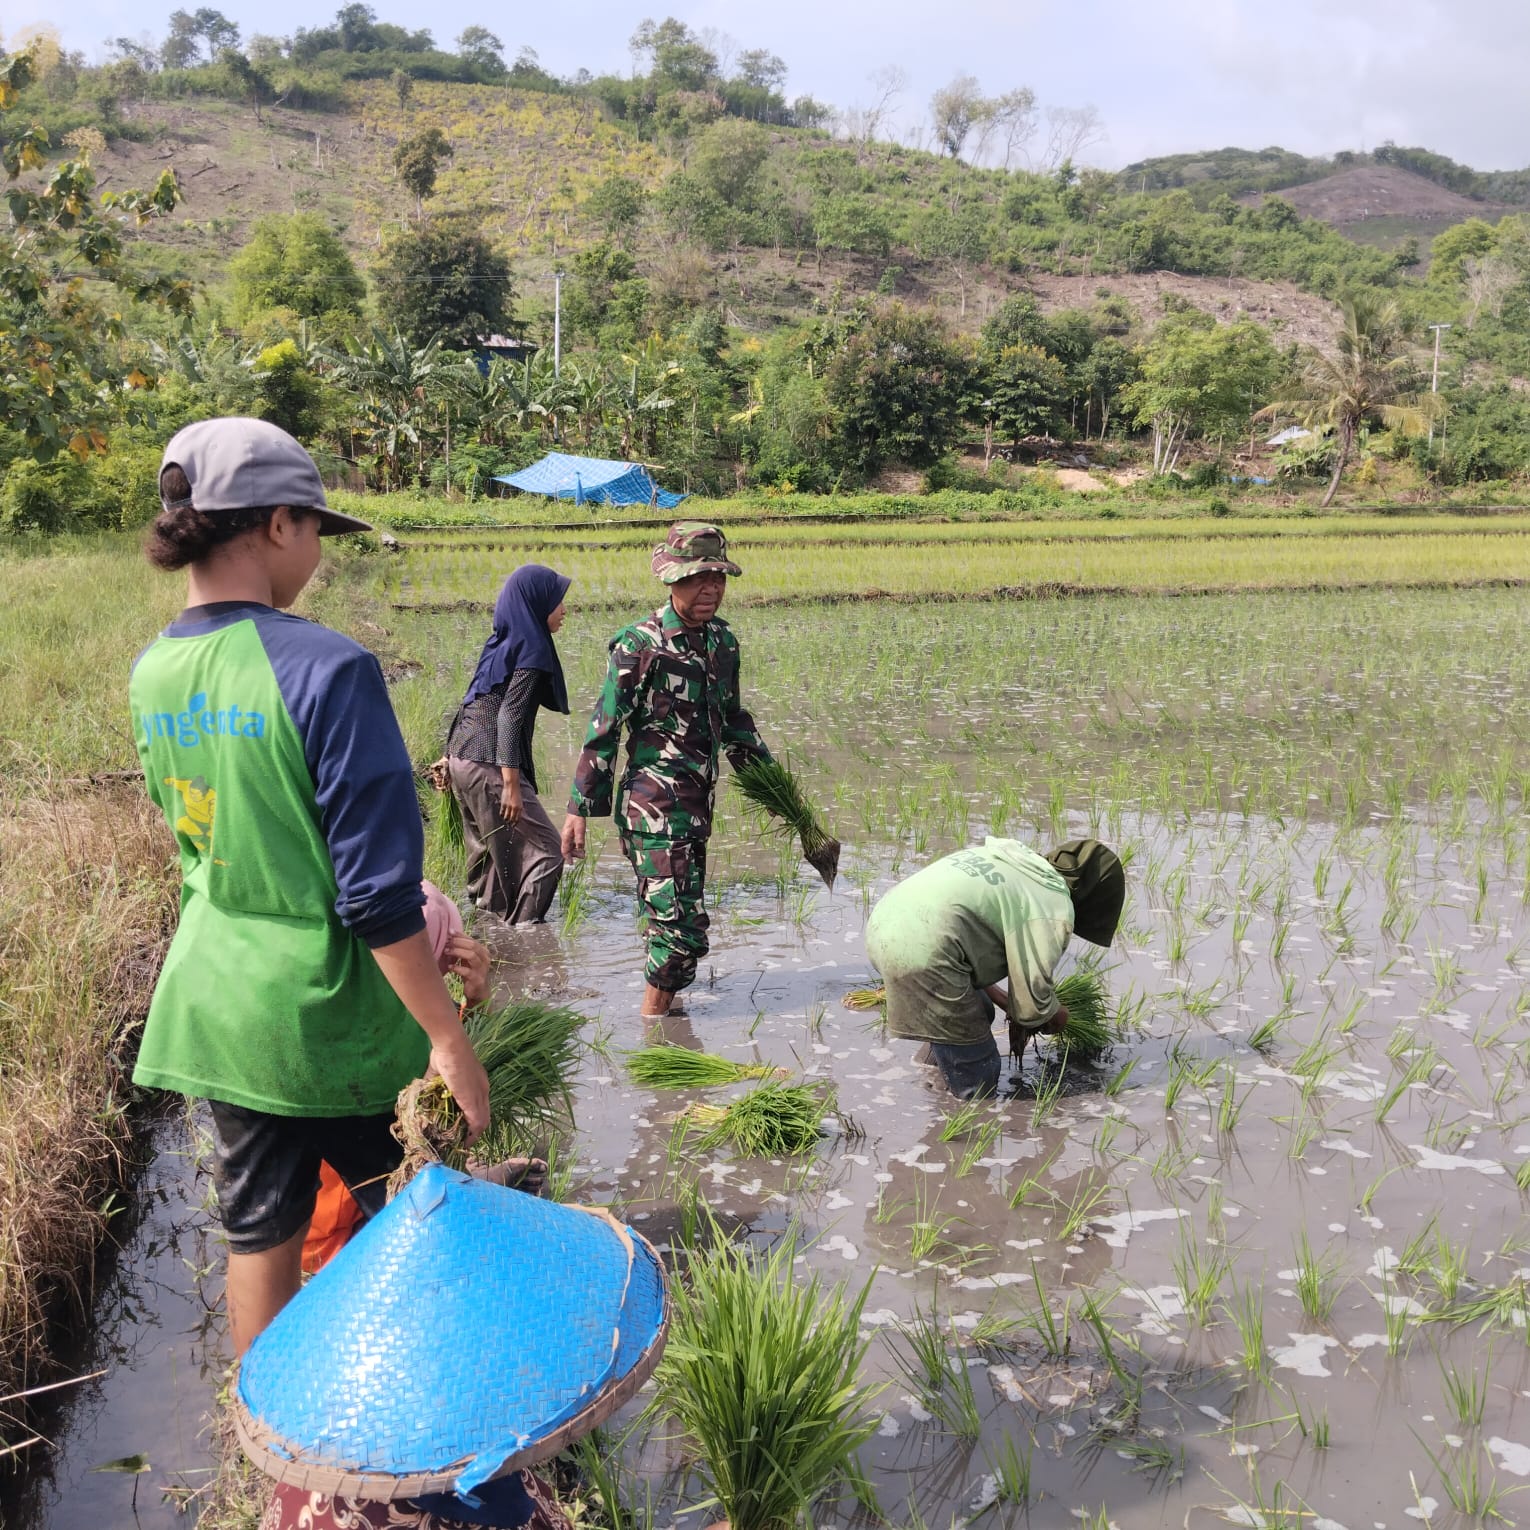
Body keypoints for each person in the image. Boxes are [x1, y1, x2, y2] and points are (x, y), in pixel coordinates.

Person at [129, 417, 489, 1356]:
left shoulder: (155, 669)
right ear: (278, 523)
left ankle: (271, 1430)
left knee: (262, 1228)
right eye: (318, 528)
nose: (320, 551)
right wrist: (449, 1037)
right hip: (328, 1013)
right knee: (421, 1211)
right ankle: (423, 1407)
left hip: (217, 1000)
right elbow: (376, 895)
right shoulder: (328, 668)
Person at [561, 522, 773, 1018]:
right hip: (653, 810)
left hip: (697, 809)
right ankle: (652, 1032)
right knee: (678, 935)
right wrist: (578, 810)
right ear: (672, 579)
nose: (711, 588)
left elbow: (734, 720)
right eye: (699, 578)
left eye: (718, 577)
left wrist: (774, 787)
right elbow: (605, 726)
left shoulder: (722, 642)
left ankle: (662, 1024)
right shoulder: (640, 644)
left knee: (679, 926)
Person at [865, 837, 1125, 1099]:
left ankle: (931, 1072)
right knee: (980, 1075)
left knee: (979, 1008)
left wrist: (1005, 1001)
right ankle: (963, 1110)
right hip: (929, 954)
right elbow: (1032, 1006)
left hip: (883, 929)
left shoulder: (1011, 860)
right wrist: (1056, 1016)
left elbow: (966, 953)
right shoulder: (1051, 904)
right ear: (1091, 896)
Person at [447, 565, 572, 923]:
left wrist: (447, 756)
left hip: (463, 758)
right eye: (558, 601)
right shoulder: (532, 647)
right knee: (548, 851)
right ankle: (525, 933)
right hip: (488, 762)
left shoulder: (500, 643)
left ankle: (489, 934)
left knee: (490, 860)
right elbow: (509, 717)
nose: (564, 610)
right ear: (536, 603)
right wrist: (511, 785)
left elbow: (471, 701)